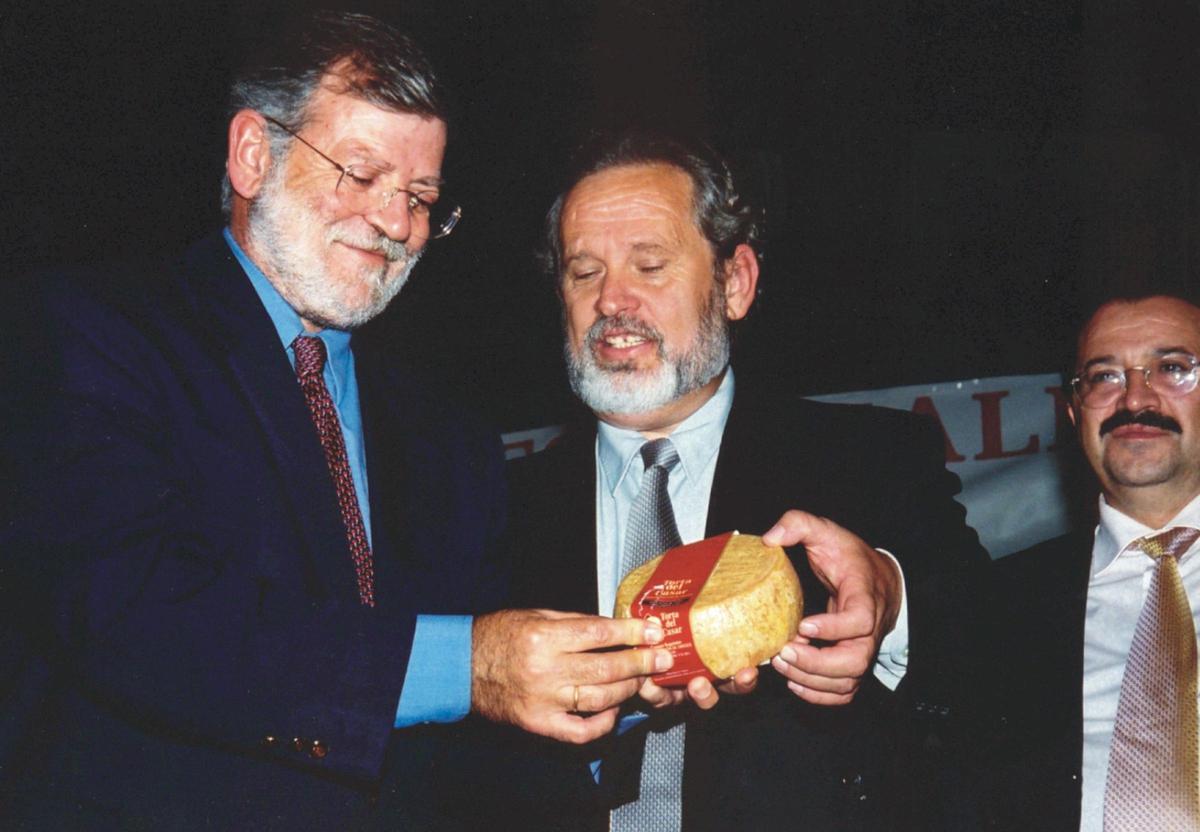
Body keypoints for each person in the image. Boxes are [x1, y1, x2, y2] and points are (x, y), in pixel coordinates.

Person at [0, 13, 667, 830]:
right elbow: (133, 614)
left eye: (421, 196)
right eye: (361, 173)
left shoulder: (448, 437)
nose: (396, 223)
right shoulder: (78, 335)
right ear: (253, 155)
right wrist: (472, 665)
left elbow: (472, 743)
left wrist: (617, 686)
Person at [485, 132, 988, 832]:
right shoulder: (491, 504)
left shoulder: (866, 455)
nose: (611, 301)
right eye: (583, 271)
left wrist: (889, 594)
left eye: (650, 265)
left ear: (736, 282)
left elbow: (993, 644)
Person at [981, 293, 1200, 831]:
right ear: (1075, 413)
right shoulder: (1000, 606)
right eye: (1105, 377)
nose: (1134, 399)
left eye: (1171, 369)